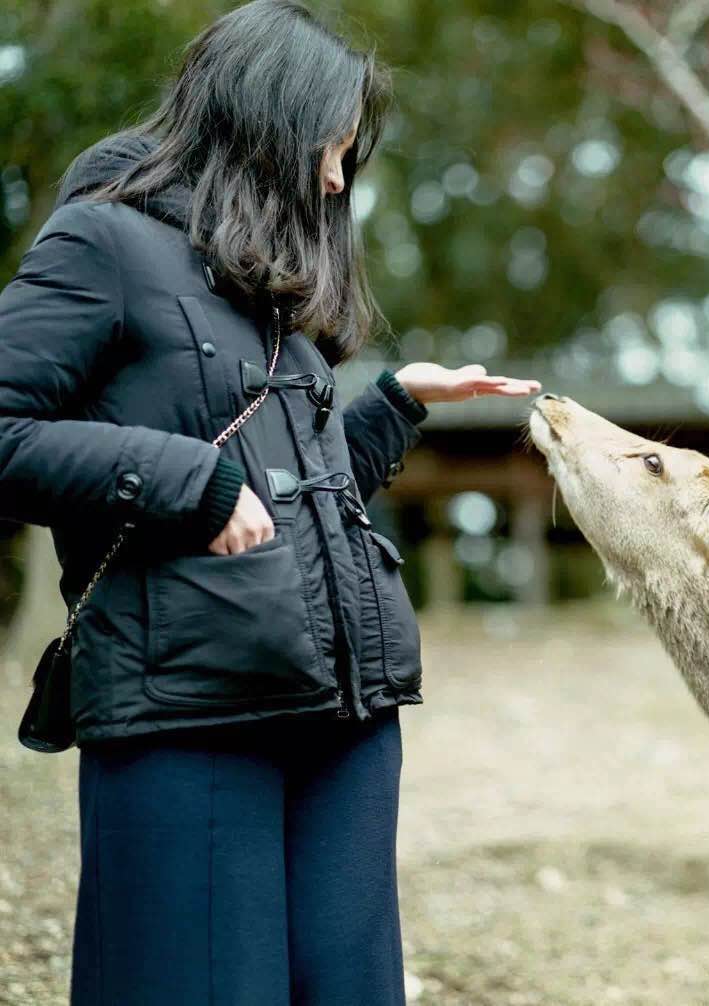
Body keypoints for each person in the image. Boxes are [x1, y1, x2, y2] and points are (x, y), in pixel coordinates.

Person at [0, 2, 540, 1003]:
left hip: (344, 715)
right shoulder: (100, 245)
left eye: (347, 157)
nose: (338, 180)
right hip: (188, 715)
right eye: (327, 150)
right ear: (258, 116)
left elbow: (296, 495)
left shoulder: (269, 283)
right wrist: (186, 483)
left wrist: (393, 404)